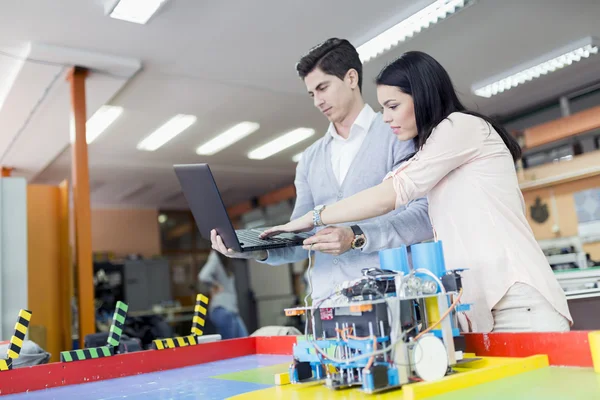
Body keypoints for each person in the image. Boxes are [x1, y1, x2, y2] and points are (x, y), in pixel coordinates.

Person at [261, 51, 573, 333]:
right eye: (383, 107)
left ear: (421, 96)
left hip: (517, 299)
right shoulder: (429, 149)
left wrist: (314, 217)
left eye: (393, 106)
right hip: (476, 305)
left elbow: (391, 193)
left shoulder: (459, 128)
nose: (386, 117)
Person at [211, 38, 433, 303]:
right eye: (311, 94)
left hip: (389, 300)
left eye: (323, 88)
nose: (317, 101)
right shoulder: (310, 158)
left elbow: (423, 216)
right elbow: (301, 238)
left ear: (351, 78)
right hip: (326, 304)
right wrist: (254, 249)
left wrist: (357, 237)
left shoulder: (397, 135)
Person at [198, 250, 248, 339]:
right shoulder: (215, 256)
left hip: (231, 310)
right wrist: (215, 285)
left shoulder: (227, 258)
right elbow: (203, 276)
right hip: (222, 309)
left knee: (244, 340)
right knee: (231, 345)